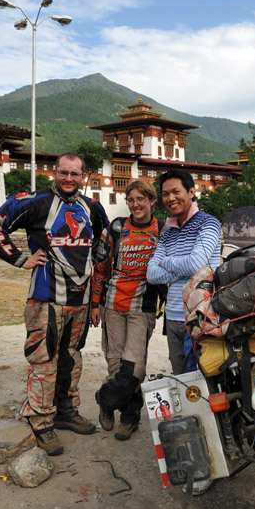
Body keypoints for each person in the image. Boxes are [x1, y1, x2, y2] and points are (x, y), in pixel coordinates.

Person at [0, 152, 108, 456]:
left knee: (71, 358)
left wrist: (95, 269)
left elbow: (103, 239)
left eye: (75, 174)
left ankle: (66, 412)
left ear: (84, 177)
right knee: (44, 360)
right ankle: (40, 421)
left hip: (79, 300)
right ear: (54, 173)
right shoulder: (33, 201)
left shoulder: (91, 207)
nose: (69, 178)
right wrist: (21, 259)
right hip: (46, 299)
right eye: (63, 173)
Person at [91, 180, 166, 441]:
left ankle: (105, 399)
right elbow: (100, 267)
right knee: (115, 365)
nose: (135, 204)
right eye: (131, 199)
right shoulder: (116, 228)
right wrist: (95, 303)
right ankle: (130, 418)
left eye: (141, 199)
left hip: (142, 307)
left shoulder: (164, 230)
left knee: (134, 369)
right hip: (112, 304)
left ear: (152, 201)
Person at [147, 169, 221, 376]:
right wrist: (183, 271)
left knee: (203, 375)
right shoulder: (167, 231)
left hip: (201, 314)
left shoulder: (209, 223)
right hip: (172, 315)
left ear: (190, 192)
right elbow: (151, 274)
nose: (170, 198)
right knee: (180, 375)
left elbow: (195, 265)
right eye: (165, 194)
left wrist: (166, 261)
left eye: (176, 192)